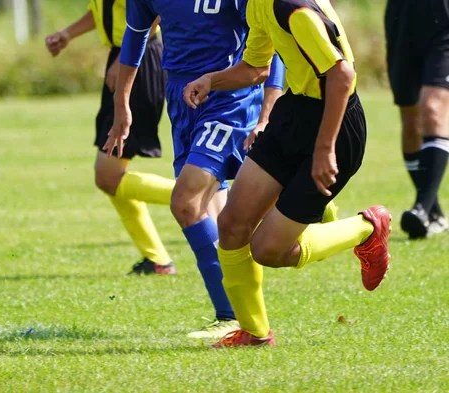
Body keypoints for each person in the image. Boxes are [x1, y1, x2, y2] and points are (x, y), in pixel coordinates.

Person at [181, 0, 391, 347]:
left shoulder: (292, 7)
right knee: (232, 224)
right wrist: (211, 80)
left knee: (268, 251)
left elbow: (342, 76)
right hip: (293, 113)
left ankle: (368, 227)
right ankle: (255, 332)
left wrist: (325, 149)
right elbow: (255, 68)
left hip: (334, 126)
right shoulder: (257, 6)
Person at [104, 0, 294, 338]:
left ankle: (231, 317)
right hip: (181, 97)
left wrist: (268, 112)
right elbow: (135, 39)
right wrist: (122, 108)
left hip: (229, 98)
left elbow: (270, 42)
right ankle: (245, 318)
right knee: (215, 212)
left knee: (186, 202)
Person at [45, 1, 177, 275]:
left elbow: (154, 11)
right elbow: (102, 10)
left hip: (137, 59)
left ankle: (203, 196)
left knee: (108, 175)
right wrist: (68, 34)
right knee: (110, 175)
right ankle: (157, 260)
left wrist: (125, 60)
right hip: (125, 56)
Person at [385, 0, 449, 239]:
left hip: (443, 15)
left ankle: (421, 208)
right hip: (401, 15)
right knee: (410, 123)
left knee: (433, 109)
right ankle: (433, 213)